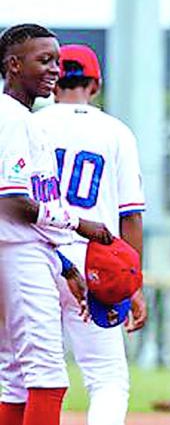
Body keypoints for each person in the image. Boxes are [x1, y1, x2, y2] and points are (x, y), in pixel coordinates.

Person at [21, 43, 146, 425]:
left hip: (34, 255)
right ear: (96, 83)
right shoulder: (116, 132)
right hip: (96, 261)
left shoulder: (30, 123)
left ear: (54, 79)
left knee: (27, 377)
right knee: (107, 379)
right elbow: (131, 215)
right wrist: (134, 282)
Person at [0, 23, 115, 425]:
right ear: (14, 65)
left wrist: (65, 266)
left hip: (24, 251)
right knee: (46, 376)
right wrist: (81, 225)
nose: (55, 69)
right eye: (44, 60)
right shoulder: (12, 118)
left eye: (58, 61)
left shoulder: (24, 117)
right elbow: (13, 203)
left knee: (13, 376)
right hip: (18, 254)